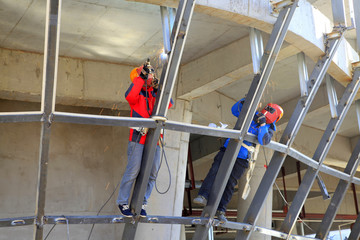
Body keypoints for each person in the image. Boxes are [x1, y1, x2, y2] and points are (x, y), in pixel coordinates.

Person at [193, 98, 283, 222]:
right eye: (267, 109)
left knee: (230, 183)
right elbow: (235, 110)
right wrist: (246, 100)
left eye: (270, 110)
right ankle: (203, 195)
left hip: (242, 157)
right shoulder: (252, 114)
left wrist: (262, 124)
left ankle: (221, 210)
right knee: (214, 171)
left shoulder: (269, 128)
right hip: (228, 149)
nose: (267, 111)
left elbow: (264, 140)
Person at [117, 60, 172, 217]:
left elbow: (169, 103)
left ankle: (142, 202)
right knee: (133, 170)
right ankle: (122, 201)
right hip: (138, 138)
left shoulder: (155, 93)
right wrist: (141, 78)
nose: (150, 75)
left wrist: (158, 87)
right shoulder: (137, 93)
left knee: (152, 172)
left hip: (154, 139)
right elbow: (130, 96)